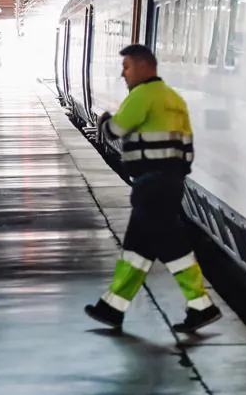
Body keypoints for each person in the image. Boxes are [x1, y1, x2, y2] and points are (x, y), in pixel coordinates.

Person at [84, 44, 222, 333]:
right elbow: (187, 146)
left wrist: (104, 121)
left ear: (145, 66)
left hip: (151, 184)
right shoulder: (174, 99)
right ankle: (113, 306)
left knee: (171, 244)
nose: (123, 74)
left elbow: (115, 132)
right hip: (172, 181)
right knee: (137, 248)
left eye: (127, 66)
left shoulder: (142, 96)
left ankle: (201, 304)